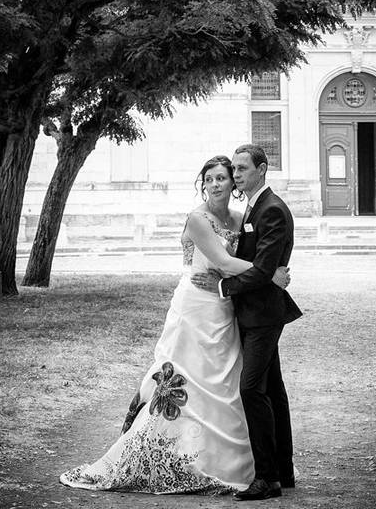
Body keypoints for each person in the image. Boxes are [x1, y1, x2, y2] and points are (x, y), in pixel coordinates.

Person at [59, 155, 290, 495]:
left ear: (232, 183)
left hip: (226, 308)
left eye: (223, 178)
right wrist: (271, 274)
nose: (215, 184)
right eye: (208, 178)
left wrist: (268, 268)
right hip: (195, 307)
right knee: (189, 377)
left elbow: (252, 259)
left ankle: (243, 463)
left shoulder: (241, 218)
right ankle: (175, 454)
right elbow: (225, 261)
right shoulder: (197, 220)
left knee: (227, 380)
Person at [191, 143, 302, 501]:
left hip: (264, 315)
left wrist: (223, 286)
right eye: (233, 169)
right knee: (273, 391)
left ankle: (266, 479)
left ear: (262, 169)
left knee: (250, 389)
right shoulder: (253, 207)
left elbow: (264, 271)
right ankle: (282, 472)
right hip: (251, 311)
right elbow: (258, 265)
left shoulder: (272, 210)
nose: (236, 175)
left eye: (241, 169)